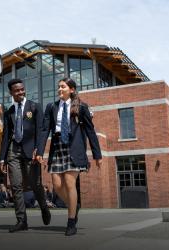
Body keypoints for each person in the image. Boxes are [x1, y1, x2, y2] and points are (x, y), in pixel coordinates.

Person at [36, 77, 102, 236]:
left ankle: (71, 221)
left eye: (63, 87)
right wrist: (40, 151)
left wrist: (97, 154)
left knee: (69, 183)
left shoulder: (82, 107)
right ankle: (74, 206)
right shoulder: (51, 106)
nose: (59, 89)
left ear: (71, 89)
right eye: (58, 87)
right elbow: (45, 130)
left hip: (74, 147)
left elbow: (90, 131)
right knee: (57, 185)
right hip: (57, 147)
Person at [0, 78, 51, 233]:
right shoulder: (9, 112)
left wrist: (39, 150)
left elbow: (41, 131)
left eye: (22, 89)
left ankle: (43, 207)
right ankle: (21, 220)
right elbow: (6, 136)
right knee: (15, 186)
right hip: (13, 151)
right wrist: (2, 158)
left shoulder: (35, 107)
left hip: (31, 151)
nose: (21, 92)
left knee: (35, 184)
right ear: (11, 92)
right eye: (17, 90)